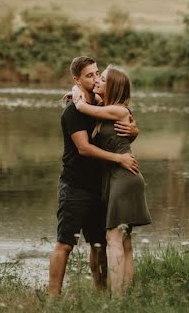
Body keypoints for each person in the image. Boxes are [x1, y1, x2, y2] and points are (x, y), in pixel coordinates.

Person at [48, 56, 139, 297]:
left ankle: (101, 294)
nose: (95, 78)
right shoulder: (73, 112)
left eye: (97, 73)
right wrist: (119, 159)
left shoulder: (100, 104)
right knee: (65, 243)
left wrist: (134, 129)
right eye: (89, 75)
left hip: (100, 187)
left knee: (98, 245)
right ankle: (53, 299)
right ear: (77, 80)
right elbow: (84, 148)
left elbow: (121, 122)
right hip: (75, 186)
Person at [73, 65, 151, 296]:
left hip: (124, 177)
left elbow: (81, 107)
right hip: (118, 177)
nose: (97, 81)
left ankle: (117, 300)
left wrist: (76, 97)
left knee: (113, 237)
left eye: (103, 79)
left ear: (113, 87)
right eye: (97, 78)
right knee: (124, 241)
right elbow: (90, 104)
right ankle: (124, 296)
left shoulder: (118, 110)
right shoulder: (108, 108)